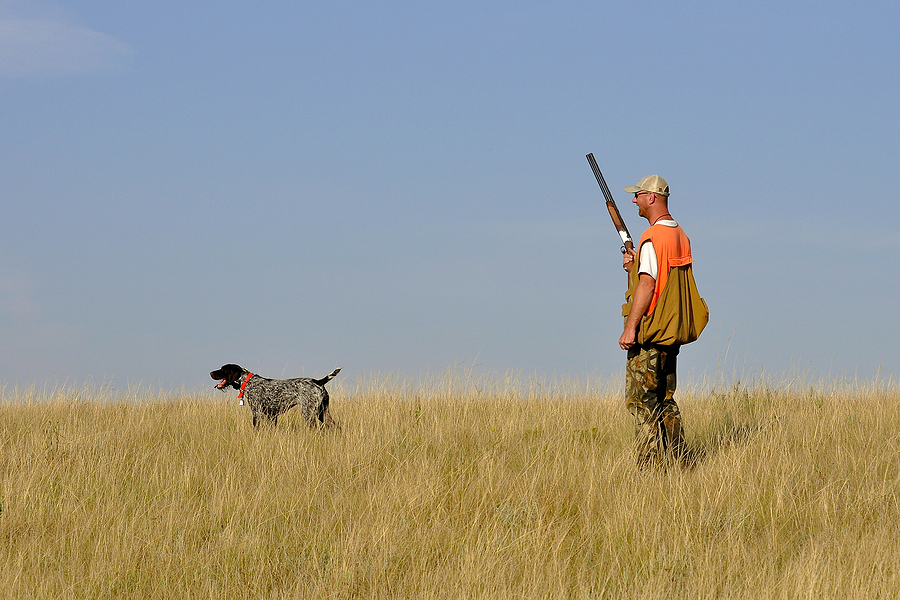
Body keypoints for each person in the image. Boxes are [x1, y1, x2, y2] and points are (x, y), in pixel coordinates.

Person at [619, 174, 693, 469]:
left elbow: (648, 285)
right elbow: (665, 278)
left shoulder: (652, 237)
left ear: (652, 197)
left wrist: (630, 328)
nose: (633, 200)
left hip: (650, 333)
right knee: (665, 400)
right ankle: (681, 462)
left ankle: (648, 468)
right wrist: (635, 263)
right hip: (671, 331)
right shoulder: (679, 235)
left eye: (637, 195)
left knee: (640, 402)